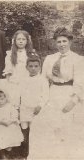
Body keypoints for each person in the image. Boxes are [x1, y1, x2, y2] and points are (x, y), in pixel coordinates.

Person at [28, 27, 84, 160]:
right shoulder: (49, 58)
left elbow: (80, 83)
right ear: (55, 43)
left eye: (64, 41)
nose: (62, 44)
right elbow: (43, 80)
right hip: (52, 93)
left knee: (67, 122)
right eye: (59, 42)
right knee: (40, 121)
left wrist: (73, 101)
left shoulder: (78, 59)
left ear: (70, 42)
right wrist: (42, 102)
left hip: (69, 93)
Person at [19, 54, 49, 158]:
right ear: (26, 67)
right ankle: (24, 148)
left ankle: (32, 150)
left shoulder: (42, 80)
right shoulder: (23, 79)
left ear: (40, 67)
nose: (33, 69)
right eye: (31, 66)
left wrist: (40, 106)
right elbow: (20, 93)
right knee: (24, 128)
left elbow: (45, 95)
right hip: (24, 108)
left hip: (35, 109)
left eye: (36, 66)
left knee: (34, 130)